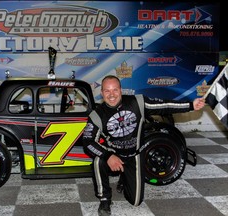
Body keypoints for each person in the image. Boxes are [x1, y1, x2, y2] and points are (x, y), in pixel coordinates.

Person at [82, 75, 205, 216]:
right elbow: (88, 142)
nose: (111, 95)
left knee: (135, 202)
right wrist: (108, 156)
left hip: (134, 155)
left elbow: (164, 106)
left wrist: (190, 105)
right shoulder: (96, 115)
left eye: (115, 90)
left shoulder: (137, 102)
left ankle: (124, 178)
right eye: (107, 91)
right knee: (99, 161)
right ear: (102, 92)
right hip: (114, 154)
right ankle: (104, 199)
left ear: (121, 90)